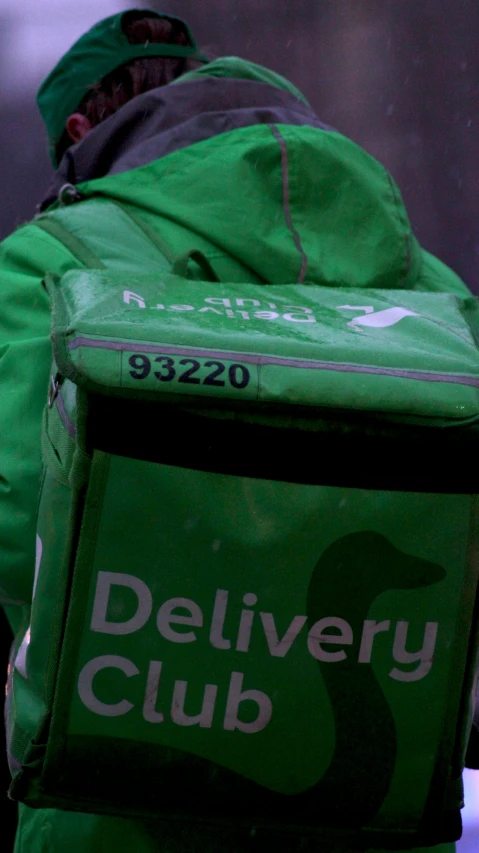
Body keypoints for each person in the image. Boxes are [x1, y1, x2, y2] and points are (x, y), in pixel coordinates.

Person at [0, 8, 472, 853]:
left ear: (80, 129)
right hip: (377, 809)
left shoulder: (54, 259)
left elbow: (14, 510)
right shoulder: (427, 289)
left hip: (123, 806)